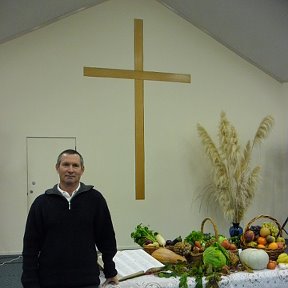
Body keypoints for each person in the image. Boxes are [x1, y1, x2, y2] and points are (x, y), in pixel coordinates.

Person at [21, 149, 119, 288]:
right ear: (57, 168)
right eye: (66, 165)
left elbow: (106, 239)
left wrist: (110, 270)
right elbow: (30, 247)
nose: (70, 170)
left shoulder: (95, 199)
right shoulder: (41, 203)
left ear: (82, 170)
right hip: (50, 280)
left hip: (87, 279)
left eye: (75, 165)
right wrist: (29, 282)